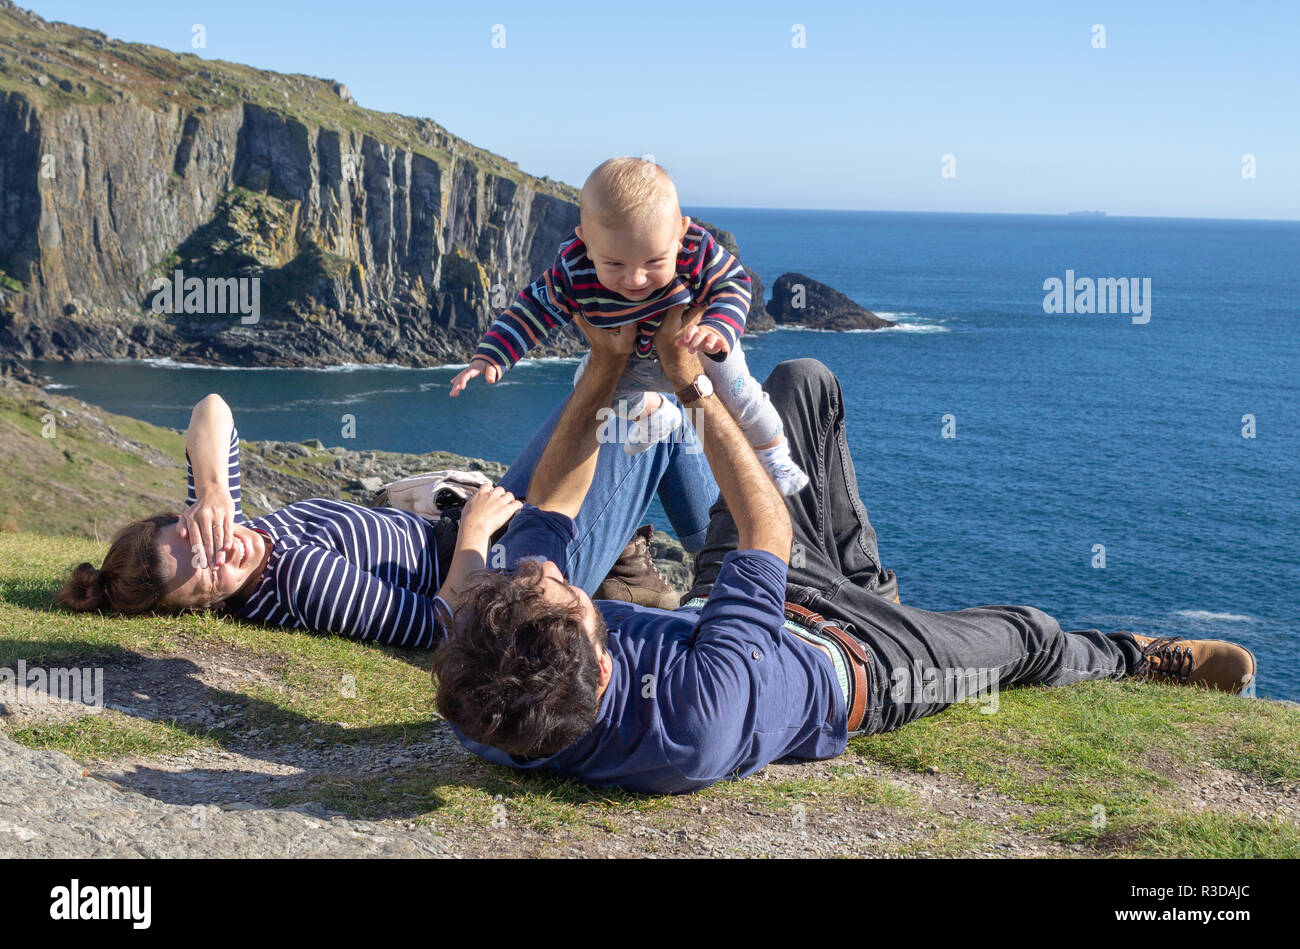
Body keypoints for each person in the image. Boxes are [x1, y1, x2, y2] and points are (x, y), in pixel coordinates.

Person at [433, 305, 1258, 795]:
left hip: (732, 609)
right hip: (856, 661)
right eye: (579, 603)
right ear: (603, 670)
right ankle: (1141, 657)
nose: (559, 580)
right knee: (1026, 635)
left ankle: (864, 577)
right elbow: (766, 533)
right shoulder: (696, 717)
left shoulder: (489, 697)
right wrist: (692, 386)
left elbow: (550, 513)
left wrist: (606, 365)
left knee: (804, 380)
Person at [54, 328, 719, 642]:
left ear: (181, 518)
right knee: (648, 416)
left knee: (608, 384)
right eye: (204, 579)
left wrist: (214, 495)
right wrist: (478, 535)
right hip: (500, 575)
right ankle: (728, 569)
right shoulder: (298, 580)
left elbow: (213, 410)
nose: (217, 553)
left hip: (479, 529)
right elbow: (440, 624)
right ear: (206, 605)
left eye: (195, 537)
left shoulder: (237, 527)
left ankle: (676, 567)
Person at [448, 156, 810, 496]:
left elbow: (732, 283)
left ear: (680, 234)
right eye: (615, 264)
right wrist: (493, 355)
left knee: (742, 396)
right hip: (633, 362)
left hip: (699, 347)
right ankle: (655, 411)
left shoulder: (695, 250)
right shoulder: (573, 269)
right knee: (589, 392)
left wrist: (717, 327)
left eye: (654, 261)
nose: (635, 278)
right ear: (586, 244)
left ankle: (775, 455)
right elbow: (532, 309)